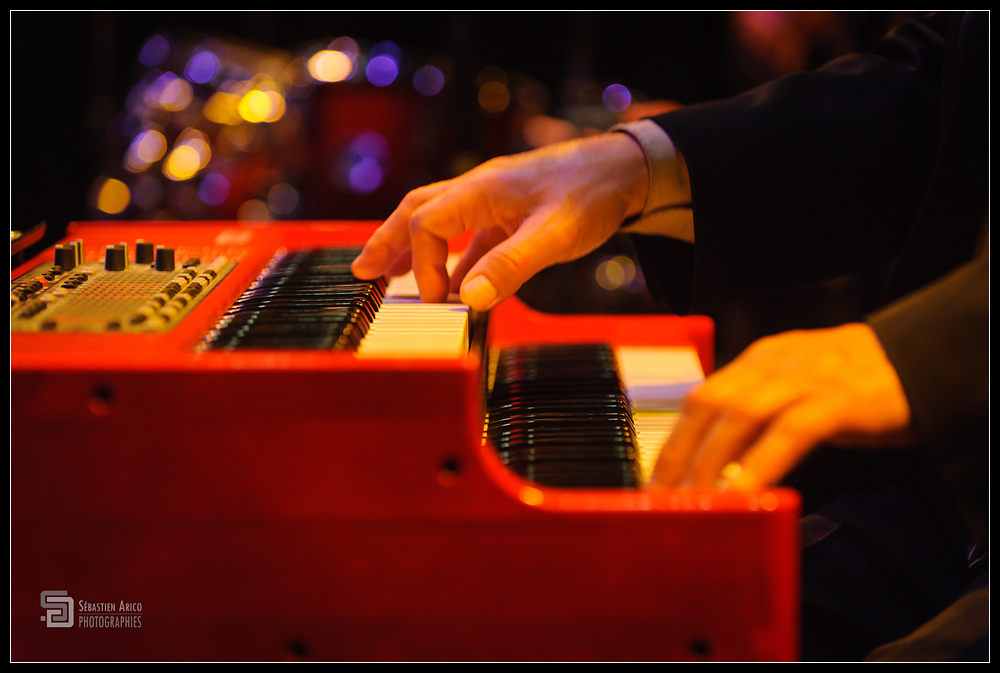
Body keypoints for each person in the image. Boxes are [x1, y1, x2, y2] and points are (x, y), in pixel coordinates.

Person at [352, 11, 987, 661]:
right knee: (602, 616)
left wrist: (937, 352)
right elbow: (936, 90)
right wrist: (637, 165)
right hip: (948, 498)